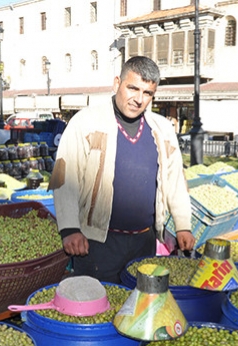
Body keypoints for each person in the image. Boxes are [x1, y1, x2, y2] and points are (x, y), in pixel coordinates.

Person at [49, 56, 195, 284]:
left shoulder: (163, 129)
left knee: (136, 310)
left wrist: (183, 226)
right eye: (133, 88)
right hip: (97, 243)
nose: (139, 99)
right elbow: (64, 177)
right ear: (117, 83)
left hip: (144, 243)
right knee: (97, 309)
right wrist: (69, 229)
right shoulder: (86, 122)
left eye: (147, 93)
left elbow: (175, 181)